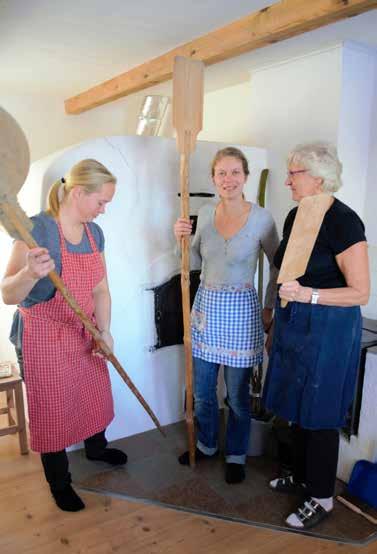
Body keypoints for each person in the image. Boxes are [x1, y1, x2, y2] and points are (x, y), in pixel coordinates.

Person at [1, 159, 128, 513]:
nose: (104, 210)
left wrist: (105, 332)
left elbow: (101, 290)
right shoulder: (37, 230)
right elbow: (8, 293)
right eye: (101, 202)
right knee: (51, 408)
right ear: (78, 193)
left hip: (82, 328)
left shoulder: (93, 233)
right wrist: (28, 273)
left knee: (93, 391)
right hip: (42, 332)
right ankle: (60, 482)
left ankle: (96, 448)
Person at [263, 142, 370, 529]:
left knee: (320, 410)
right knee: (295, 403)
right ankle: (304, 476)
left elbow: (361, 293)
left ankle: (322, 497)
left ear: (319, 179)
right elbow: (285, 270)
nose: (288, 180)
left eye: (294, 173)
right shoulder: (297, 215)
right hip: (296, 322)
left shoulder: (345, 222)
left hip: (329, 328)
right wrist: (276, 315)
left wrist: (310, 295)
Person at [174, 147, 279, 484]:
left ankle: (235, 454)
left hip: (241, 311)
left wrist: (269, 306)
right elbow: (192, 263)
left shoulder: (262, 218)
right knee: (203, 391)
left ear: (246, 176)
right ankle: (206, 444)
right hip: (206, 307)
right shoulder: (204, 213)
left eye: (235, 172)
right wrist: (181, 240)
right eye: (222, 173)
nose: (228, 179)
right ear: (213, 178)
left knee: (236, 395)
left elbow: (280, 266)